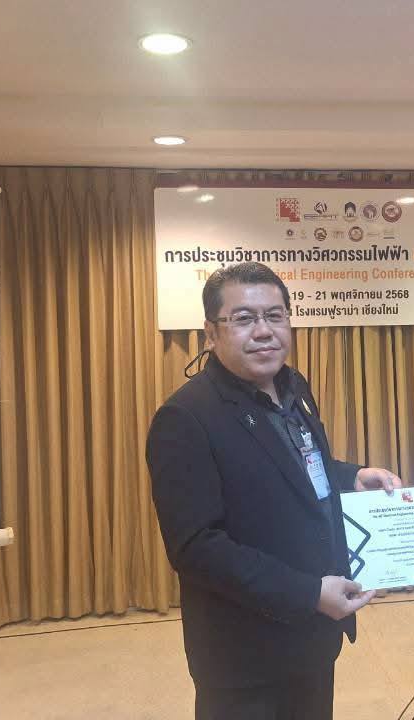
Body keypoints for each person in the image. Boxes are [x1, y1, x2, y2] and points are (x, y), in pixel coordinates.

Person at [146, 262, 401, 720]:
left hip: (314, 637)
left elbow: (295, 469)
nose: (264, 331)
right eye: (244, 319)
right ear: (211, 333)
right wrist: (308, 592)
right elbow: (196, 547)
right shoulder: (185, 418)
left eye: (275, 315)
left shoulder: (293, 386)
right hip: (245, 656)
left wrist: (351, 477)